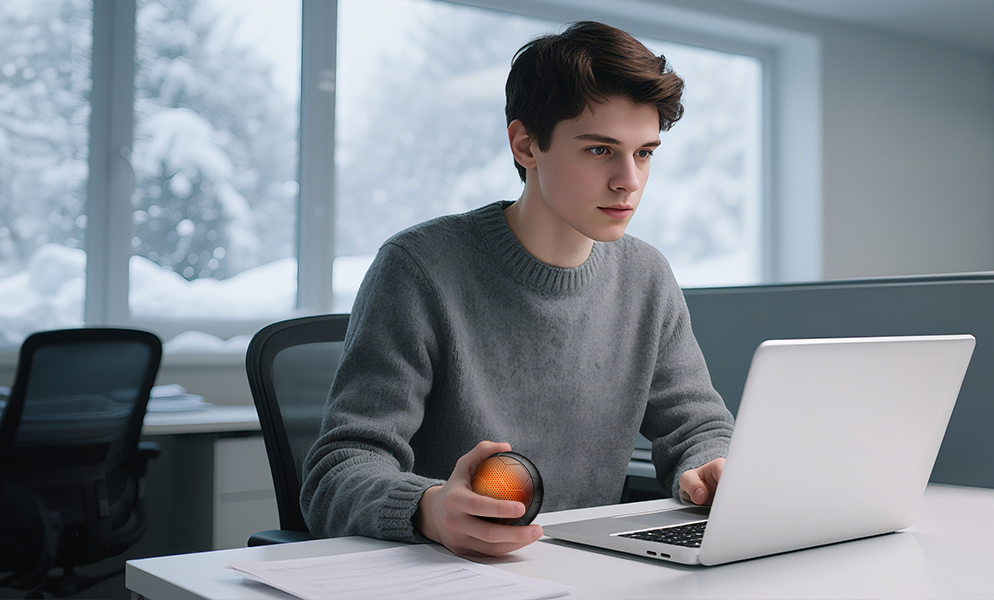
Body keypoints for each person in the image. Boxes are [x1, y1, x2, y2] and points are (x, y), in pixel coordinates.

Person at [300, 21, 735, 558]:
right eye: (601, 151)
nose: (630, 179)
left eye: (644, 152)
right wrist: (430, 508)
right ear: (526, 144)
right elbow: (337, 472)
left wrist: (711, 466)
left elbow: (698, 427)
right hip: (448, 573)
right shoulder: (419, 267)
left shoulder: (646, 275)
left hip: (592, 569)